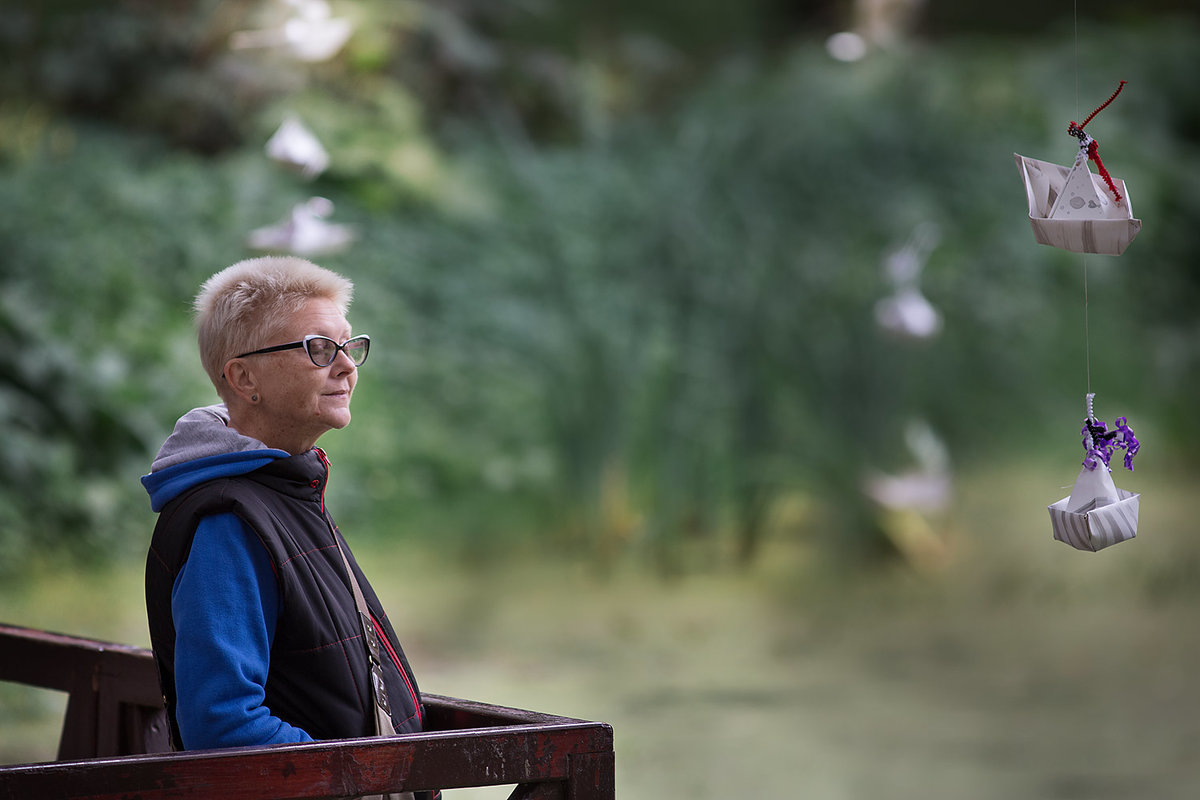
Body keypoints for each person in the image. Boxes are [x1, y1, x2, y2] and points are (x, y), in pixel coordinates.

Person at [143, 256, 434, 798]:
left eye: (350, 346)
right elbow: (222, 725)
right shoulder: (227, 521)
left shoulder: (285, 488)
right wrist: (355, 783)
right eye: (319, 349)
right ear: (243, 376)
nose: (347, 366)